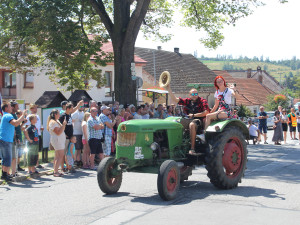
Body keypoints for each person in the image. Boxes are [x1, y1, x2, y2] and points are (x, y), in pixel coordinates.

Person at [167, 88, 210, 154]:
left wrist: (194, 115)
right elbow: (175, 99)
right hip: (188, 119)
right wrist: (169, 89)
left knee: (192, 125)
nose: (194, 95)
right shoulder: (187, 101)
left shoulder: (202, 101)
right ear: (189, 95)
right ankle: (175, 145)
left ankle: (192, 148)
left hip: (199, 120)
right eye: (193, 94)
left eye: (196, 94)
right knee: (176, 122)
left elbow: (206, 112)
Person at [0, 102, 26, 181]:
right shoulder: (8, 115)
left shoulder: (6, 115)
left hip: (5, 139)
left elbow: (13, 126)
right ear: (6, 108)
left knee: (6, 158)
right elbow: (15, 123)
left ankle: (5, 174)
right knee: (8, 158)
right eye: (9, 106)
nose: (11, 107)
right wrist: (23, 115)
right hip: (6, 140)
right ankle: (5, 175)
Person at [47, 109, 66, 177]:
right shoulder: (53, 122)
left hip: (59, 140)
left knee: (57, 156)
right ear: (55, 114)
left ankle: (56, 169)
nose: (59, 115)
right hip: (57, 140)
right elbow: (58, 132)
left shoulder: (56, 121)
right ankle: (56, 171)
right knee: (60, 155)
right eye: (58, 114)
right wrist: (63, 125)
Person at [25, 103, 44, 169]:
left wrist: (41, 128)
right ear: (31, 109)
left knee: (37, 150)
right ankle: (32, 166)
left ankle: (37, 163)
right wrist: (29, 138)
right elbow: (27, 127)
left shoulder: (37, 116)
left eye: (36, 107)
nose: (36, 109)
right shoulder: (29, 116)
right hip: (32, 136)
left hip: (38, 134)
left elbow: (39, 124)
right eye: (34, 108)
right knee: (31, 152)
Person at [10, 101, 25, 176]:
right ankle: (12, 172)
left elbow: (18, 126)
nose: (18, 108)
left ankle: (15, 170)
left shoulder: (14, 115)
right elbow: (14, 126)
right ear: (12, 107)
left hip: (17, 138)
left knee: (16, 156)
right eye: (17, 106)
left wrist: (23, 123)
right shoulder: (10, 116)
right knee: (13, 157)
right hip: (12, 139)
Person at [59, 102, 74, 171]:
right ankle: (62, 167)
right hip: (65, 137)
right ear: (67, 108)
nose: (72, 109)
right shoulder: (63, 116)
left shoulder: (69, 115)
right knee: (63, 153)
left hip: (70, 137)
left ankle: (68, 166)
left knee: (68, 153)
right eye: (71, 108)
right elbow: (60, 125)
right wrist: (64, 134)